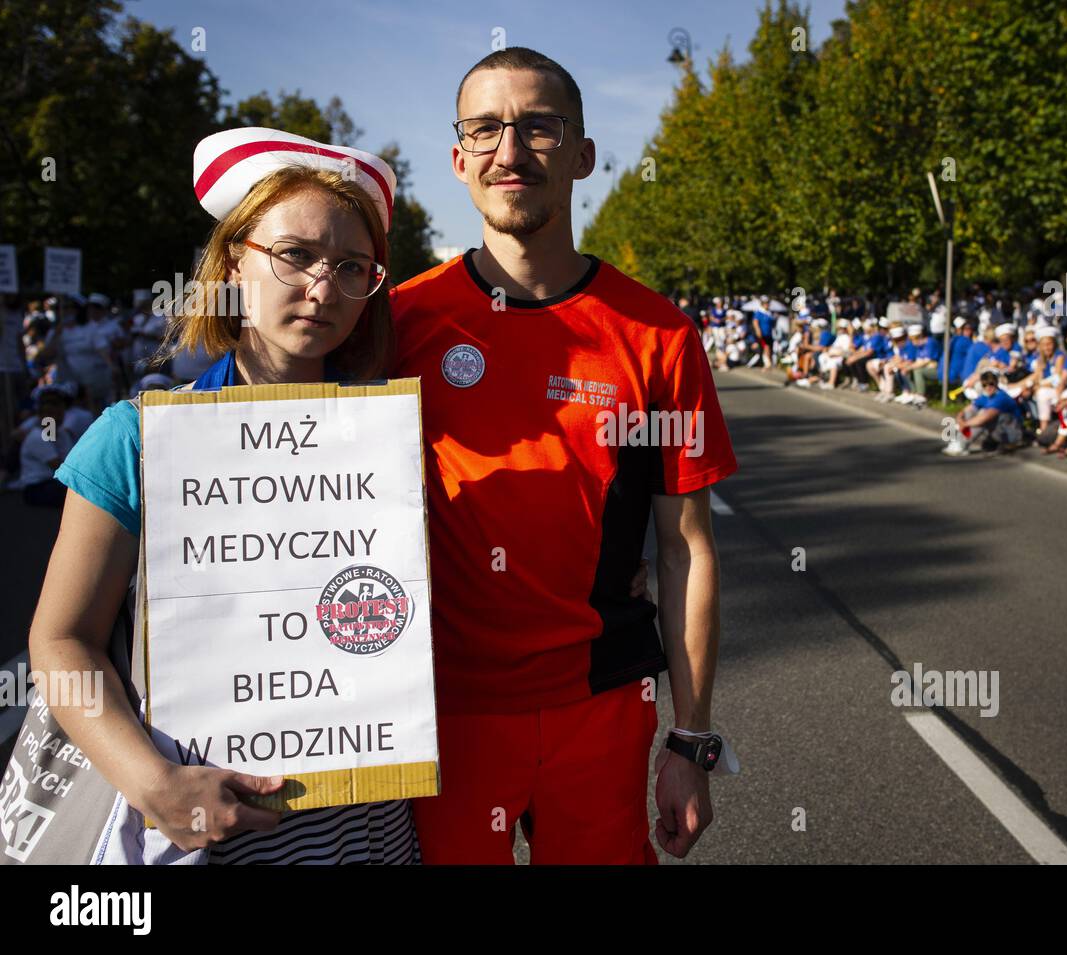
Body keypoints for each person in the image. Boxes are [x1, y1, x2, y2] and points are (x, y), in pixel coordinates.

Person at [25, 128, 422, 864]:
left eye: (352, 266)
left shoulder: (394, 445)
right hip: (199, 838)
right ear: (235, 259)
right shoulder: (136, 438)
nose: (323, 287)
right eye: (295, 255)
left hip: (373, 838)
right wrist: (154, 785)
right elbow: (58, 641)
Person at [392, 47, 738, 865]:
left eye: (539, 127)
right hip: (438, 711)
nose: (509, 151)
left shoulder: (658, 334)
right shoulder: (397, 323)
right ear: (458, 158)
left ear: (582, 154)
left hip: (602, 704)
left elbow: (686, 546)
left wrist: (691, 742)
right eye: (485, 129)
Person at [942, 371, 1025, 456]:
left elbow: (985, 417)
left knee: (982, 417)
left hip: (1011, 433)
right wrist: (960, 418)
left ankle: (963, 444)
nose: (988, 387)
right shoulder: (986, 396)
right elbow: (968, 409)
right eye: (984, 385)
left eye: (991, 384)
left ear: (996, 383)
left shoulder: (1001, 398)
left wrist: (964, 424)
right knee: (970, 412)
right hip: (999, 430)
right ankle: (959, 441)